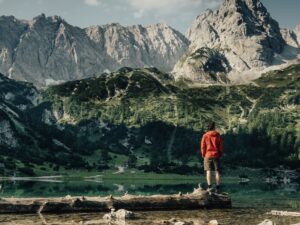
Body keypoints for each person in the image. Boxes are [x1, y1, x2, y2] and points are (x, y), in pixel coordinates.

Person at [200, 121, 223, 193]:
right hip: (216, 154)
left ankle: (209, 187)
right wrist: (220, 153)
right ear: (214, 127)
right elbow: (221, 146)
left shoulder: (205, 135)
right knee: (217, 171)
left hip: (208, 154)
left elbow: (203, 147)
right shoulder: (218, 135)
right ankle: (218, 188)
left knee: (208, 171)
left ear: (208, 127)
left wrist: (203, 155)